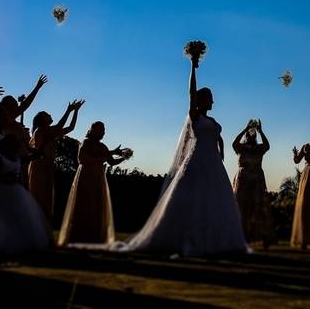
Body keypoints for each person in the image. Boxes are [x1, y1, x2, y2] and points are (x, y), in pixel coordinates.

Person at [99, 51, 247, 256]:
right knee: (193, 199)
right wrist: (193, 67)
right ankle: (185, 238)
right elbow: (191, 93)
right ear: (201, 100)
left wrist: (220, 149)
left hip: (213, 163)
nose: (212, 101)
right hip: (197, 160)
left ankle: (215, 240)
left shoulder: (212, 122)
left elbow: (217, 136)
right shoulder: (194, 116)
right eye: (209, 98)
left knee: (214, 201)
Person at [58, 121, 130, 246]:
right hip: (86, 176)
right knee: (85, 203)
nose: (103, 132)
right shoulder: (85, 143)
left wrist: (124, 157)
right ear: (92, 130)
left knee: (97, 203)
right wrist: (101, 158)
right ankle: (80, 235)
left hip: (99, 178)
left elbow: (111, 162)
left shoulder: (103, 147)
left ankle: (95, 236)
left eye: (104, 130)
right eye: (100, 129)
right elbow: (82, 159)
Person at [28, 100, 85, 223]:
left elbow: (71, 127)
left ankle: (43, 224)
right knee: (39, 194)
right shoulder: (40, 131)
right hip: (39, 165)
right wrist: (68, 110)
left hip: (48, 165)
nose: (50, 115)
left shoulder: (51, 132)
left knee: (47, 196)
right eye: (47, 114)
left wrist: (75, 111)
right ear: (42, 120)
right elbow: (60, 126)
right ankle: (35, 223)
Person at [0, 74, 48, 185]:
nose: (17, 105)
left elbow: (24, 145)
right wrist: (37, 87)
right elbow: (24, 106)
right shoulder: (5, 121)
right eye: (14, 103)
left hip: (22, 162)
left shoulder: (16, 124)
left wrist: (36, 152)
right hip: (10, 164)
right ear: (6, 106)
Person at [232, 119, 274, 247]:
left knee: (257, 206)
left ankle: (262, 235)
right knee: (241, 206)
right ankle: (242, 235)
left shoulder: (259, 148)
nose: (251, 136)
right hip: (243, 179)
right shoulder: (241, 148)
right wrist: (244, 129)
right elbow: (234, 143)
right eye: (249, 134)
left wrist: (261, 131)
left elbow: (267, 145)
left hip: (256, 179)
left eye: (253, 134)